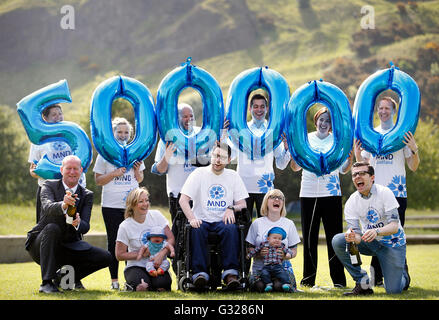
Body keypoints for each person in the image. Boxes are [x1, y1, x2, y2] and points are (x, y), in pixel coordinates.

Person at [354, 96, 419, 286]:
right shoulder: (370, 133)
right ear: (376, 111)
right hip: (374, 196)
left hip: (397, 195)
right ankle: (377, 278)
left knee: (396, 237)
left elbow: (413, 166)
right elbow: (364, 167)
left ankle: (402, 277)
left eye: (387, 108)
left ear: (394, 111)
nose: (383, 111)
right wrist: (358, 154)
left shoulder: (402, 134)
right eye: (380, 108)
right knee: (376, 236)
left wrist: (414, 149)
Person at [25, 155, 111, 294]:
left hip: (69, 246)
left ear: (81, 170)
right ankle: (46, 283)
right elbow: (47, 207)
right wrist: (63, 205)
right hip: (41, 245)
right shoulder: (48, 185)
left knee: (106, 257)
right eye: (68, 168)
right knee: (52, 228)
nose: (72, 172)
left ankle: (64, 278)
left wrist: (78, 224)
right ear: (61, 170)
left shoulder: (87, 194)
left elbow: (85, 226)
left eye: (75, 169)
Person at [290, 107, 352, 288]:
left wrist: (350, 157)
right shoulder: (305, 139)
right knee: (310, 239)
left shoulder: (338, 140)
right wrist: (294, 151)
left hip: (332, 194)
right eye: (322, 119)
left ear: (333, 124)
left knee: (335, 238)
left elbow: (343, 169)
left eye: (328, 121)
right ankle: (308, 280)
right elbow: (295, 167)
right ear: (316, 120)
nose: (324, 124)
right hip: (309, 193)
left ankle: (339, 281)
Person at [332, 162, 410, 295]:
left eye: (362, 173)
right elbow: (356, 234)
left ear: (372, 177)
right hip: (371, 243)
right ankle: (362, 283)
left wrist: (376, 231)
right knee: (339, 240)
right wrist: (353, 237)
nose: (358, 177)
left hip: (393, 244)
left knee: (393, 290)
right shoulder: (351, 201)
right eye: (355, 174)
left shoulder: (385, 192)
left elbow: (394, 226)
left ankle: (403, 275)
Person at [179, 142, 248, 290]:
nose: (218, 160)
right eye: (216, 156)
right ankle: (200, 274)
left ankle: (231, 275)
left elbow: (243, 204)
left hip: (223, 221)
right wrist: (192, 219)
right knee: (196, 228)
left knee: (231, 228)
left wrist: (231, 208)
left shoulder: (233, 176)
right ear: (211, 156)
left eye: (222, 157)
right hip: (201, 219)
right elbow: (183, 200)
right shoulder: (198, 174)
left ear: (229, 160)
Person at [93, 117, 145, 290]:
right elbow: (98, 180)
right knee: (114, 242)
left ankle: (130, 280)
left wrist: (137, 170)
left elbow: (140, 178)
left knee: (132, 242)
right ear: (112, 133)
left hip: (131, 206)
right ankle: (114, 280)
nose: (123, 135)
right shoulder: (104, 153)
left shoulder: (136, 152)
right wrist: (114, 173)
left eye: (126, 133)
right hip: (111, 206)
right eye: (119, 132)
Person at [230, 93, 290, 219]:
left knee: (266, 229)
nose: (259, 110)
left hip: (266, 190)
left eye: (262, 106)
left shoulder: (273, 130)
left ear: (267, 109)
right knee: (243, 230)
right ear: (249, 109)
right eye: (256, 106)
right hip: (243, 189)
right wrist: (224, 136)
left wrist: (286, 148)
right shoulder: (241, 130)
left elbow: (281, 165)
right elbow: (230, 156)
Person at [28, 104, 86, 223]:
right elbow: (33, 170)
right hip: (48, 192)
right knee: (46, 227)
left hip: (72, 190)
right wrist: (37, 172)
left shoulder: (72, 135)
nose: (58, 117)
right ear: (45, 118)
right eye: (54, 115)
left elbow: (83, 160)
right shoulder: (39, 140)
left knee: (72, 226)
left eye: (60, 113)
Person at [115, 187, 174, 292]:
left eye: (146, 200)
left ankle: (156, 283)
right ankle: (132, 285)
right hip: (136, 266)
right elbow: (119, 255)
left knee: (162, 286)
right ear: (132, 205)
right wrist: (142, 254)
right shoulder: (125, 226)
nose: (145, 204)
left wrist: (161, 254)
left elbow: (171, 238)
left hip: (157, 264)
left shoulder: (156, 215)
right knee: (142, 287)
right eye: (140, 201)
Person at [245, 189, 301, 292]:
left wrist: (285, 256)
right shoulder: (257, 223)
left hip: (281, 269)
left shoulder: (289, 224)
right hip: (260, 270)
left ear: (283, 203)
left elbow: (294, 251)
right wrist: (259, 254)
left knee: (278, 286)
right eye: (273, 197)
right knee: (260, 287)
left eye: (280, 198)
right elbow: (249, 248)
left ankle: (280, 283)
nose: (277, 200)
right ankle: (266, 283)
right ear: (266, 202)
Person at [247, 226, 294, 292]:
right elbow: (256, 250)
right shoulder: (264, 245)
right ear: (268, 238)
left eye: (280, 239)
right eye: (274, 238)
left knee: (283, 273)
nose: (277, 240)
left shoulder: (281, 246)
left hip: (277, 266)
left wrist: (289, 254)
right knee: (264, 273)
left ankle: (286, 284)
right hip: (267, 265)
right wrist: (249, 255)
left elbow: (289, 251)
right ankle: (268, 284)